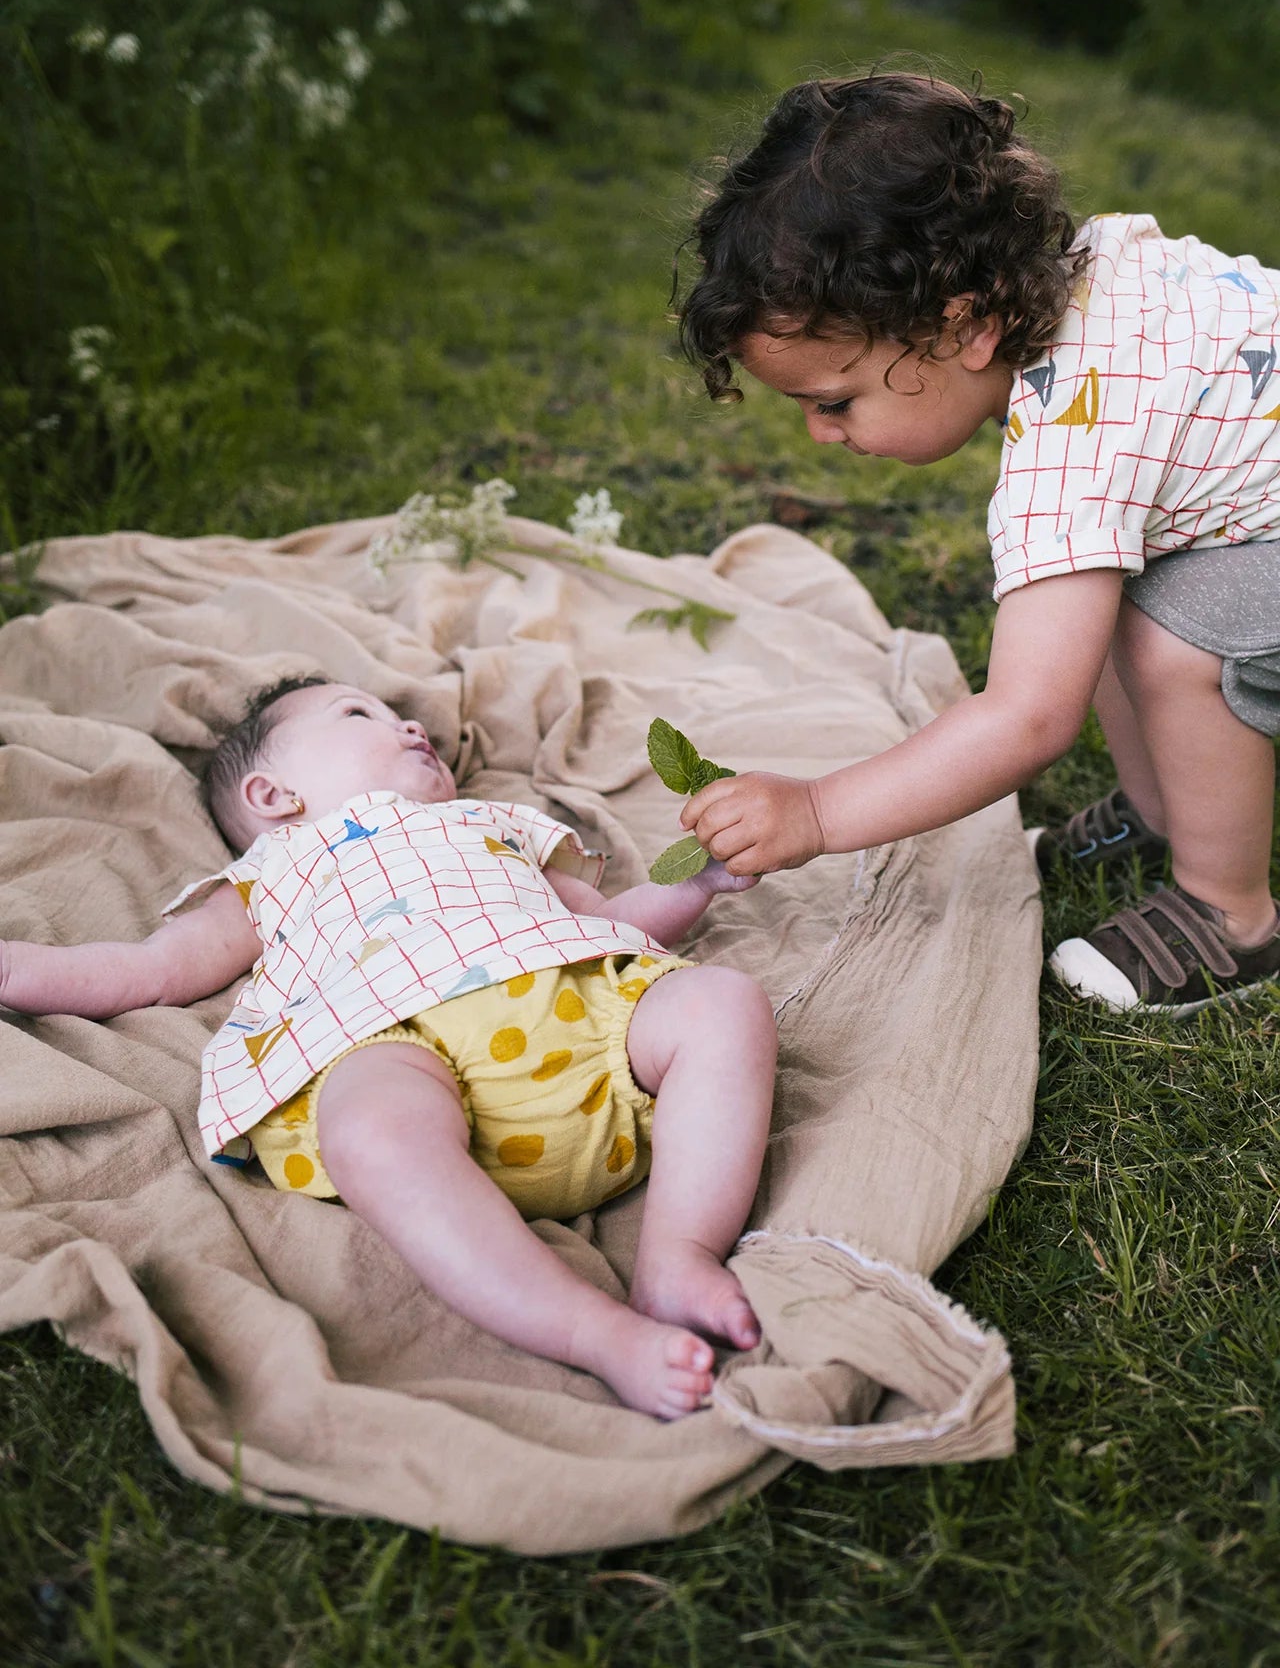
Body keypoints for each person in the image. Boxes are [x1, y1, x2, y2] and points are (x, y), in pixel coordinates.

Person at [0, 677, 777, 1418]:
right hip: (400, 1045)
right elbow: (151, 970)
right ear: (275, 797)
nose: (412, 725)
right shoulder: (273, 873)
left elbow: (613, 921)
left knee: (720, 1001)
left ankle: (679, 1254)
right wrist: (17, 969)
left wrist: (697, 884)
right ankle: (590, 1332)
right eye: (357, 715)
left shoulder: (495, 823)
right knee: (369, 1119)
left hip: (585, 1022)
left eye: (401, 715)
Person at [675, 70, 1280, 1018]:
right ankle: (1166, 809)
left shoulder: (1075, 446)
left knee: (1177, 646)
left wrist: (818, 811)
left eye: (836, 401)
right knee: (1113, 593)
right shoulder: (1091, 284)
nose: (820, 434)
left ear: (965, 325)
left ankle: (1229, 915)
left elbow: (1028, 719)